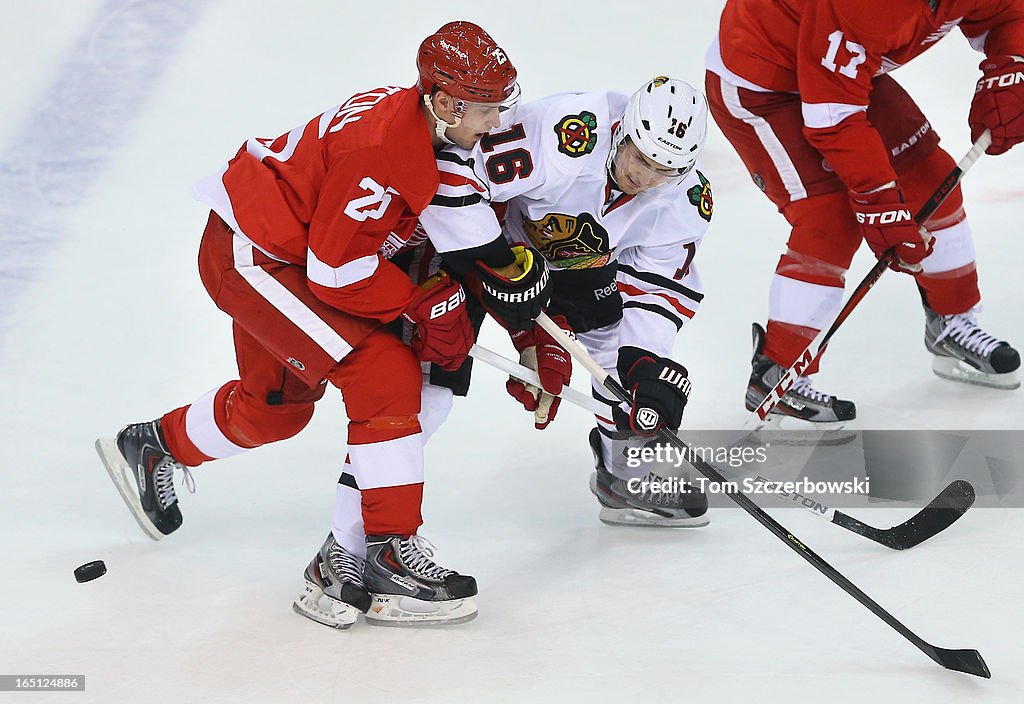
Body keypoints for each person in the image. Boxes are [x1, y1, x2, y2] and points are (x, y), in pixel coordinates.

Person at [95, 22, 551, 629]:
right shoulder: (382, 152)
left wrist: (515, 327)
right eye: (489, 109)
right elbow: (338, 273)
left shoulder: (428, 127)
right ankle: (390, 551)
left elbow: (413, 243)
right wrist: (419, 304)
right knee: (385, 370)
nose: (498, 122)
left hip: (287, 252)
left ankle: (154, 445)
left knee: (276, 409)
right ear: (446, 101)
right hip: (258, 257)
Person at [317, 76, 714, 611]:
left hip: (565, 271)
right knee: (420, 398)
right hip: (475, 248)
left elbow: (656, 287)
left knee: (629, 380)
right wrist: (500, 271)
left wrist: (645, 361)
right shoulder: (564, 133)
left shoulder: (685, 200)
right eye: (641, 158)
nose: (646, 177)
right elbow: (451, 174)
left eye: (665, 170)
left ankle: (622, 474)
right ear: (623, 130)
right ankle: (344, 546)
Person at [705, 0, 1023, 430]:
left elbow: (1009, 15)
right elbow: (833, 117)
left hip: (837, 70)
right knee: (829, 216)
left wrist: (1012, 67)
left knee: (931, 175)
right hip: (762, 81)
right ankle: (779, 371)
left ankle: (951, 323)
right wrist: (881, 207)